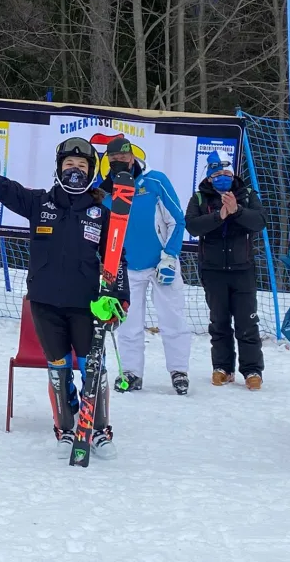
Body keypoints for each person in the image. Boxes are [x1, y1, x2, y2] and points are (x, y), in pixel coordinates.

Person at [0, 136, 129, 460]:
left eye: (81, 166)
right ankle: (65, 427)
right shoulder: (39, 204)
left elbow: (116, 258)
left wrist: (121, 298)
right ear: (59, 168)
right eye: (69, 165)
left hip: (87, 306)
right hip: (45, 304)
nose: (74, 171)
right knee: (58, 368)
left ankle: (99, 430)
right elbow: (4, 188)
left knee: (95, 370)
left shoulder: (100, 213)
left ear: (91, 171)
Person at [100, 137, 192, 396]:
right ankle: (131, 372)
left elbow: (177, 221)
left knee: (172, 318)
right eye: (114, 159)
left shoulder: (155, 181)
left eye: (124, 158)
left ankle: (179, 371)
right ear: (108, 160)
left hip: (161, 263)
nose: (120, 163)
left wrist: (170, 257)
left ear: (132, 158)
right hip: (127, 266)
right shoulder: (105, 189)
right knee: (128, 322)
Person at [184, 151, 267, 390]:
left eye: (226, 173)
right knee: (218, 321)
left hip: (243, 270)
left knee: (247, 322)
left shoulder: (247, 194)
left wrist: (237, 211)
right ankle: (222, 367)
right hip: (212, 270)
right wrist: (219, 216)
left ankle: (252, 370)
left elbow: (260, 221)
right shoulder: (200, 198)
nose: (222, 177)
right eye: (217, 174)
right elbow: (192, 225)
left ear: (233, 174)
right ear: (209, 177)